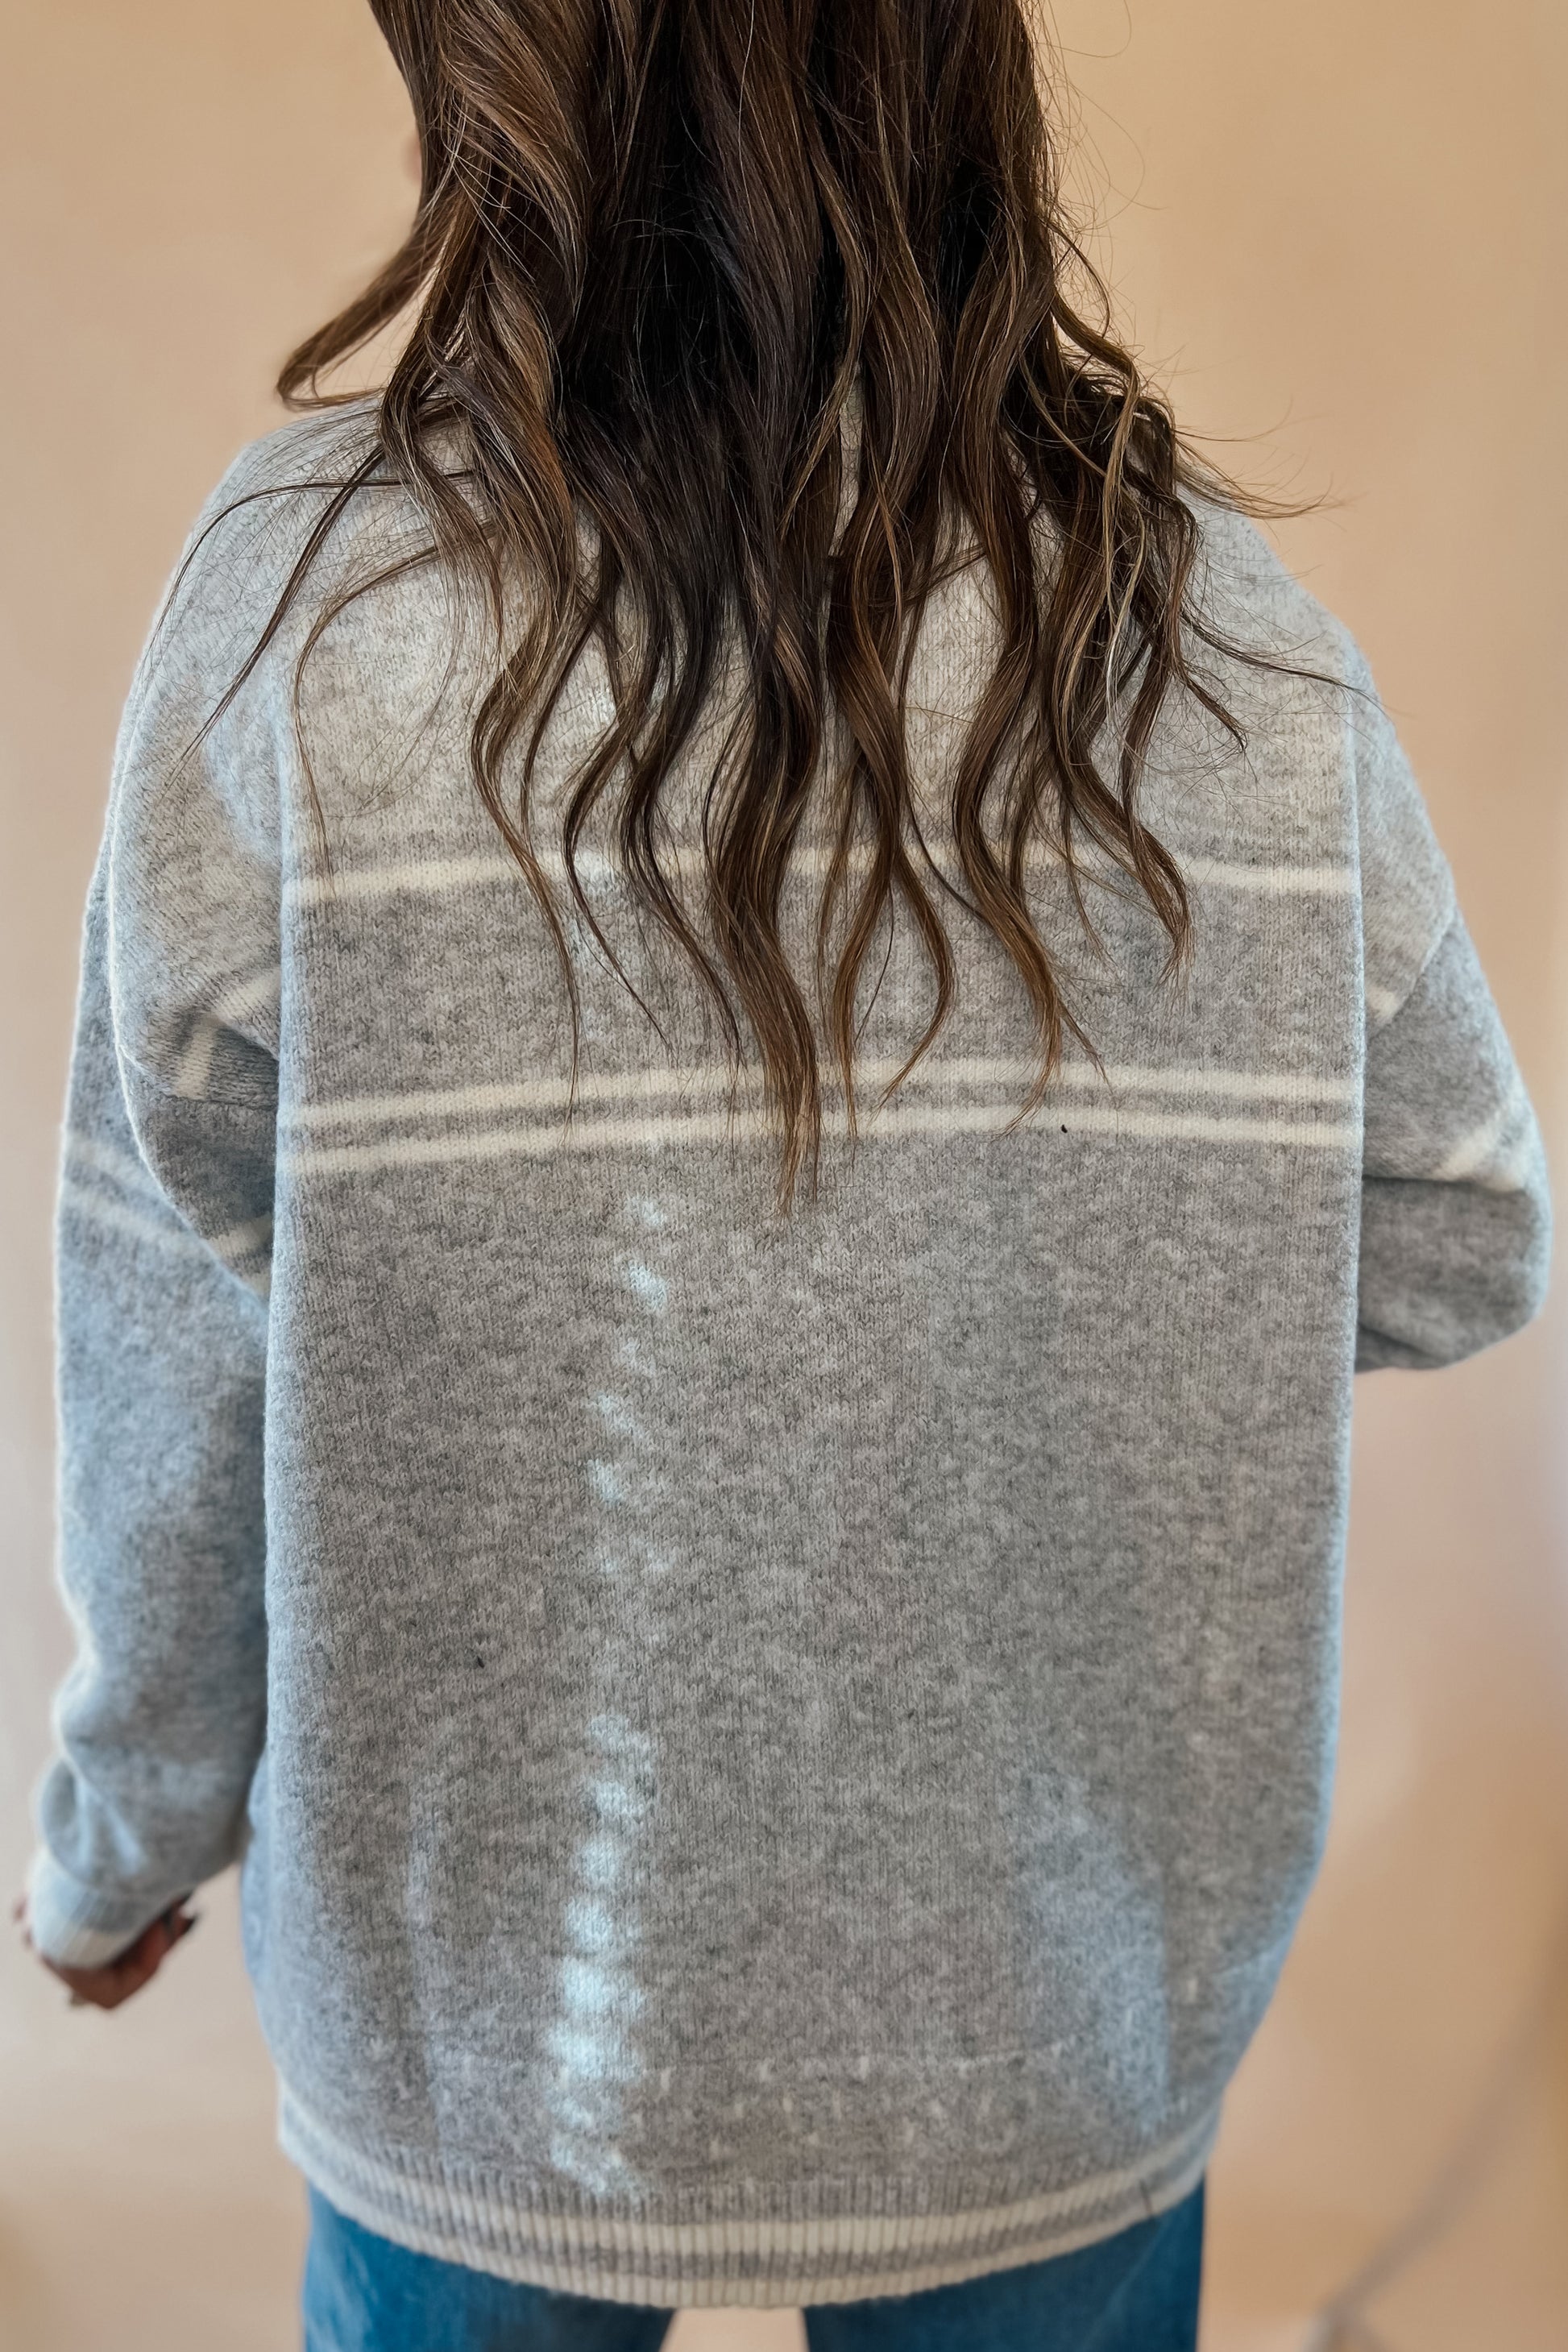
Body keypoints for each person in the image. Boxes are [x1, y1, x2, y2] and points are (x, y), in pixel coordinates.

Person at [17, 0, 1551, 2346]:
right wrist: (1065, 1292)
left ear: (497, 96)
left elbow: (177, 1341)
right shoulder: (1221, 631)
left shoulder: (301, 613)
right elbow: (1461, 1233)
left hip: (483, 2034)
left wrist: (119, 1838)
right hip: (1056, 2027)